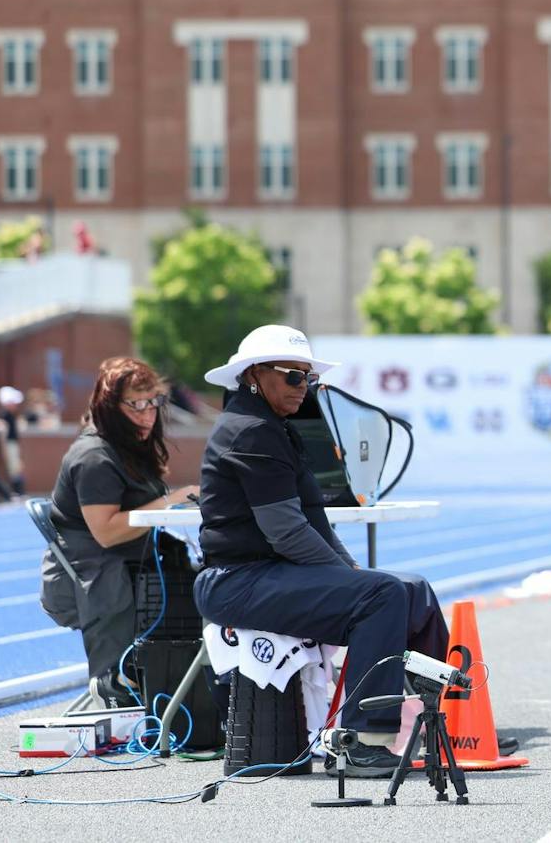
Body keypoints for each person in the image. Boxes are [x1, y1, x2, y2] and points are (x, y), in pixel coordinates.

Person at [192, 325, 449, 778]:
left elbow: (315, 523)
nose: (303, 388)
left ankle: (428, 723)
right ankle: (364, 740)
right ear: (255, 375)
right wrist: (354, 581)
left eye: (307, 379)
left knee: (414, 590)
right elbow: (287, 533)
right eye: (293, 376)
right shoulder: (250, 431)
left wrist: (349, 569)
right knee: (382, 595)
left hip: (270, 576)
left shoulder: (275, 428)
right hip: (237, 582)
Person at [38, 358, 198, 701]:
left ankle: (183, 692)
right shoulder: (95, 456)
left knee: (200, 578)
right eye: (135, 404)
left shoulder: (130, 447)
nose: (147, 413)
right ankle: (113, 684)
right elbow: (106, 532)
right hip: (91, 578)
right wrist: (169, 503)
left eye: (152, 402)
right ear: (110, 406)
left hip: (129, 569)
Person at [0, 386, 28, 496]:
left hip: (12, 444)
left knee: (16, 468)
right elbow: (3, 435)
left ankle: (16, 491)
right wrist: (4, 451)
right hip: (9, 445)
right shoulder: (3, 415)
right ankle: (16, 492)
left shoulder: (11, 415)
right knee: (13, 469)